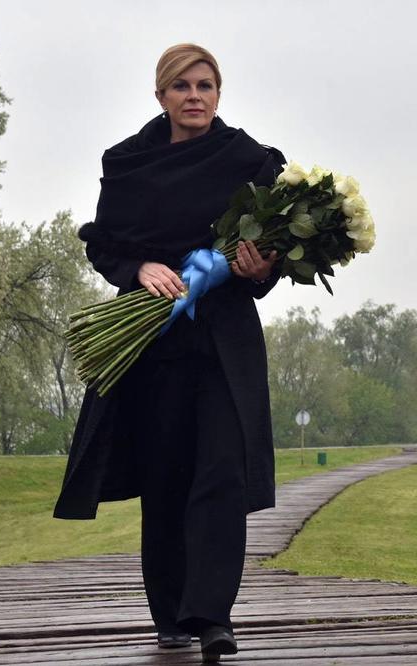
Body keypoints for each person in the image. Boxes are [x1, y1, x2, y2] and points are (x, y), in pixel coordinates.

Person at [52, 43, 286, 663]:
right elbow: (103, 246)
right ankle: (170, 616)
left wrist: (261, 268)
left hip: (224, 339)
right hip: (153, 342)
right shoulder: (128, 163)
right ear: (161, 96)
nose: (194, 96)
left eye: (205, 85)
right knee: (166, 477)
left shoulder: (249, 160)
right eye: (181, 86)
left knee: (220, 472)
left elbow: (271, 258)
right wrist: (141, 267)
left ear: (218, 93)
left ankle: (213, 616)